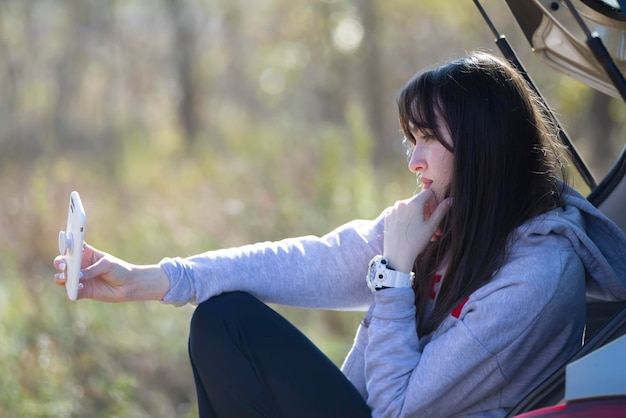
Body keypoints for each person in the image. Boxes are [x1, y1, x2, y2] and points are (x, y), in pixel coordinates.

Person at [53, 52, 626, 417]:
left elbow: (399, 408)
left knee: (232, 324)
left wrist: (395, 275)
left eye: (428, 138)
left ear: (481, 144)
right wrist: (150, 280)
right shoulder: (448, 225)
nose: (415, 161)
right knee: (220, 323)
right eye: (411, 139)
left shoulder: (539, 275)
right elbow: (312, 259)